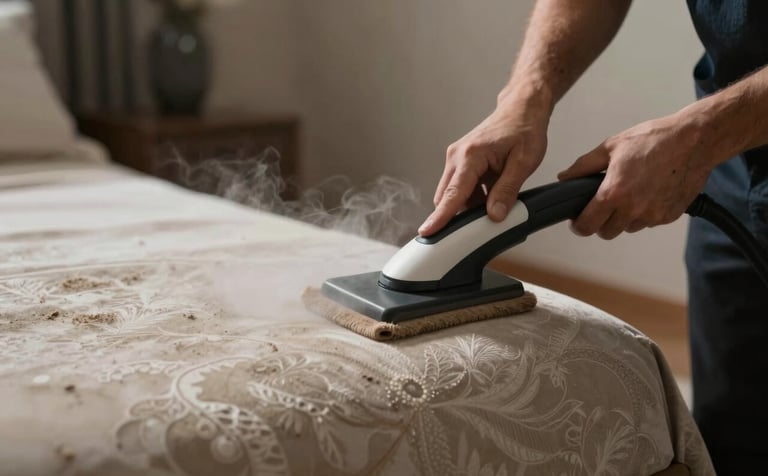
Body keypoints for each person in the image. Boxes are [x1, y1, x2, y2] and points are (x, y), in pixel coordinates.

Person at [418, 1, 768, 473]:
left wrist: (703, 133)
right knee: (732, 434)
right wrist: (526, 94)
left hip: (724, 130)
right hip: (735, 165)